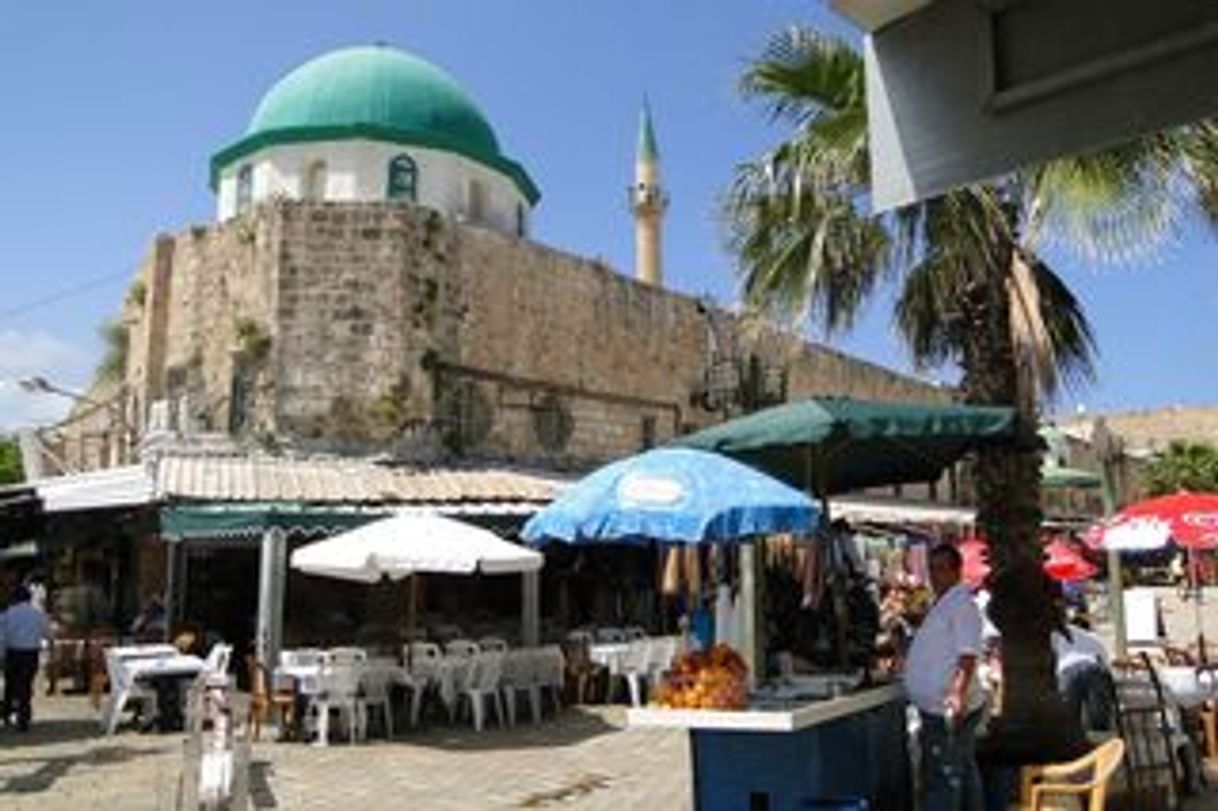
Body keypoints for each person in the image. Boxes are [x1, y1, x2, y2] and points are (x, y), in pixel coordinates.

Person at [904, 544, 986, 811]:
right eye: (932, 569)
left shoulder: (961, 604)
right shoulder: (946, 602)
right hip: (938, 707)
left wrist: (956, 693)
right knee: (960, 772)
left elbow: (968, 655)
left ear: (956, 571)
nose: (935, 575)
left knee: (944, 777)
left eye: (941, 569)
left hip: (947, 709)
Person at [1051, 616, 1114, 732]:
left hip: (1067, 671)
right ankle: (1100, 739)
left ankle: (1073, 739)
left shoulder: (1059, 632)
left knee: (1069, 717)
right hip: (1093, 668)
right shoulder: (1094, 637)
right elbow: (1105, 664)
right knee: (1099, 715)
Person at [2, 585, 51, 731]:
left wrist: (1, 654)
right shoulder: (38, 614)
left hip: (13, 653)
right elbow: (47, 633)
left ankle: (6, 713)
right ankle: (23, 718)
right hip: (31, 654)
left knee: (10, 684)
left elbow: (2, 637)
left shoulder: (7, 614)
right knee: (25, 685)